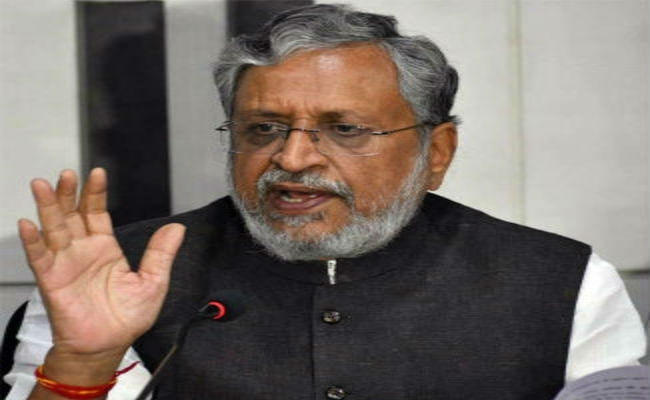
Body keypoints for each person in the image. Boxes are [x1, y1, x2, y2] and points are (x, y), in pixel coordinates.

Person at [4, 4, 646, 400]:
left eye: (344, 129)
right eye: (263, 128)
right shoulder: (111, 274)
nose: (292, 159)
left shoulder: (561, 283)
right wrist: (83, 362)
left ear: (437, 152)